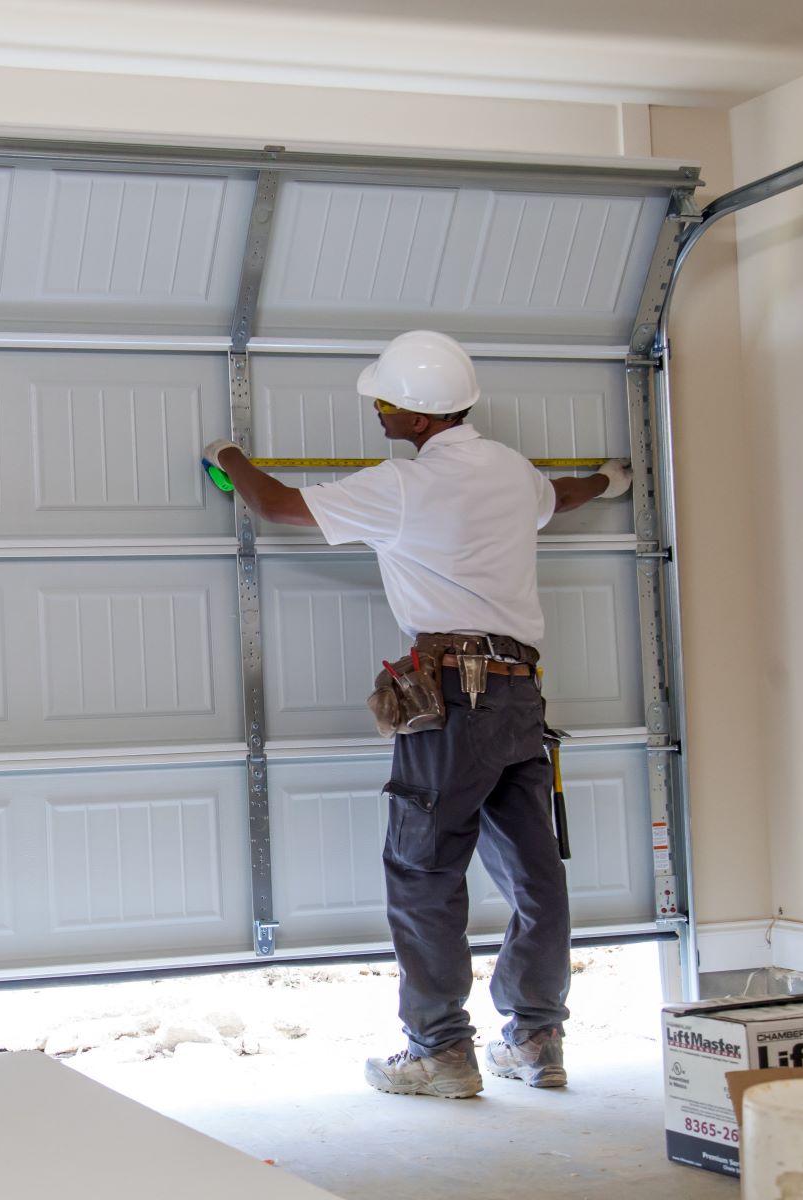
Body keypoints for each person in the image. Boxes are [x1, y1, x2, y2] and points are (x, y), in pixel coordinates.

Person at [200, 330, 631, 1100]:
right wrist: (609, 479)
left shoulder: (400, 486)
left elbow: (272, 503)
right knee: (535, 875)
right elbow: (558, 497)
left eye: (386, 401)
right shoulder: (510, 472)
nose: (378, 411)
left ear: (421, 417)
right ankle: (537, 1036)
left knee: (424, 871)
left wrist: (225, 454)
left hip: (454, 702)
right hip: (519, 699)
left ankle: (440, 1050)